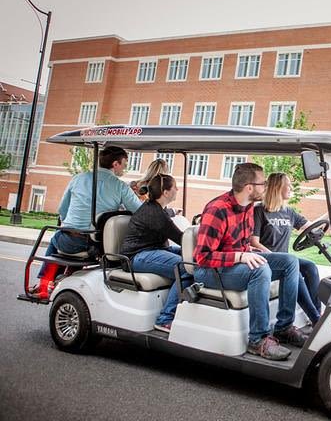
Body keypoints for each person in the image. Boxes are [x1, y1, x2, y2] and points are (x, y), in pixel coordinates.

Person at [193, 163, 307, 361]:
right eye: (262, 183)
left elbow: (243, 244)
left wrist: (248, 252)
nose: (266, 186)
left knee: (290, 261)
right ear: (249, 187)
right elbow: (202, 257)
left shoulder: (248, 208)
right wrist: (240, 256)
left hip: (235, 264)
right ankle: (258, 339)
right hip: (210, 270)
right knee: (260, 270)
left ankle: (283, 327)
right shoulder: (217, 210)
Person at [33, 146, 143, 297]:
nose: (125, 167)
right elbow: (140, 210)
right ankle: (64, 281)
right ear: (115, 164)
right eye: (124, 163)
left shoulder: (78, 178)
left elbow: (62, 210)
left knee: (56, 239)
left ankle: (43, 285)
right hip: (96, 246)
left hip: (68, 240)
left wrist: (69, 223)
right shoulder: (120, 186)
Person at [120, 174, 191, 333]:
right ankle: (165, 319)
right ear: (165, 192)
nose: (177, 189)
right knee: (186, 267)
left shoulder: (158, 208)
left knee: (191, 258)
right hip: (137, 256)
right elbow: (181, 238)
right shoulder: (155, 213)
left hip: (154, 250)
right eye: (174, 187)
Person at [251, 173, 322, 326]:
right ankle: (317, 319)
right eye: (288, 184)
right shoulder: (259, 211)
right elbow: (254, 242)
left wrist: (325, 221)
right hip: (266, 261)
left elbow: (310, 226)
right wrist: (274, 256)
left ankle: (318, 313)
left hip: (287, 260)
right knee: (294, 269)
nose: (291, 187)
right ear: (277, 187)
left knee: (310, 267)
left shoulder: (289, 211)